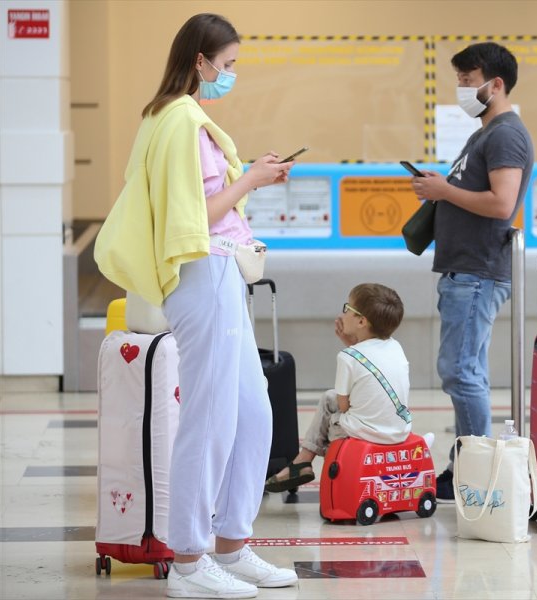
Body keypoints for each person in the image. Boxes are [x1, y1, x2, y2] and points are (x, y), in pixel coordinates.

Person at [94, 13, 299, 599]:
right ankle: (188, 559)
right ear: (199, 63)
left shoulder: (174, 119)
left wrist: (248, 177)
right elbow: (194, 219)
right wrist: (253, 179)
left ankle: (232, 543)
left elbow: (205, 200)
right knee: (208, 419)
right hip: (203, 271)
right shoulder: (180, 121)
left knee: (251, 412)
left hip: (219, 273)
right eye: (227, 65)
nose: (230, 75)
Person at [410, 42, 534, 501]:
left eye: (468, 79)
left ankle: (476, 468)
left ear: (495, 84)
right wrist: (441, 188)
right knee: (466, 370)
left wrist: (444, 190)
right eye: (460, 79)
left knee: (460, 371)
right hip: (467, 270)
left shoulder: (505, 134)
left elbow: (501, 204)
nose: (462, 88)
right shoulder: (485, 134)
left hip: (479, 271)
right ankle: (468, 463)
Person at [264, 283, 412, 492]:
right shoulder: (395, 346)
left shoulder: (347, 357)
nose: (343, 314)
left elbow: (343, 407)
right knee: (328, 398)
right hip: (398, 430)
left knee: (331, 418)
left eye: (348, 309)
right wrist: (350, 344)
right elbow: (370, 370)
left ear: (361, 321)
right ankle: (303, 461)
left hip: (365, 434)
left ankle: (303, 461)